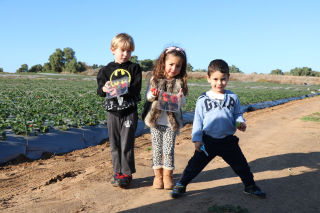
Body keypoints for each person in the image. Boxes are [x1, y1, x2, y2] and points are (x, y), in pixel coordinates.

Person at [169, 59, 266, 199]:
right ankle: (181, 184)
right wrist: (197, 139)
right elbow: (198, 120)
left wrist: (240, 122)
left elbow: (238, 114)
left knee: (241, 165)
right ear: (208, 78)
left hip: (228, 141)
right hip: (208, 140)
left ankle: (250, 185)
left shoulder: (233, 97)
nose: (219, 83)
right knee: (194, 165)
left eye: (223, 79)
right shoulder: (202, 99)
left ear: (228, 78)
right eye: (215, 79)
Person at [96, 33, 142, 189]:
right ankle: (118, 173)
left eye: (129, 51)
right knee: (115, 143)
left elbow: (136, 89)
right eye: (122, 50)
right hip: (113, 112)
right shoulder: (105, 70)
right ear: (112, 50)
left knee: (127, 143)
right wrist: (104, 88)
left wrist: (122, 89)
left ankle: (127, 174)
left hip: (129, 110)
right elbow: (100, 90)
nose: (125, 54)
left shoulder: (134, 68)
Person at [143, 46, 188, 190]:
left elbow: (182, 104)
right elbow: (148, 98)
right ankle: (158, 176)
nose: (174, 68)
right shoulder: (154, 79)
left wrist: (180, 98)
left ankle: (168, 176)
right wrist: (153, 94)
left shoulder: (179, 83)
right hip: (155, 122)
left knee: (168, 150)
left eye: (178, 66)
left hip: (171, 123)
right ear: (163, 63)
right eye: (171, 64)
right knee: (157, 150)